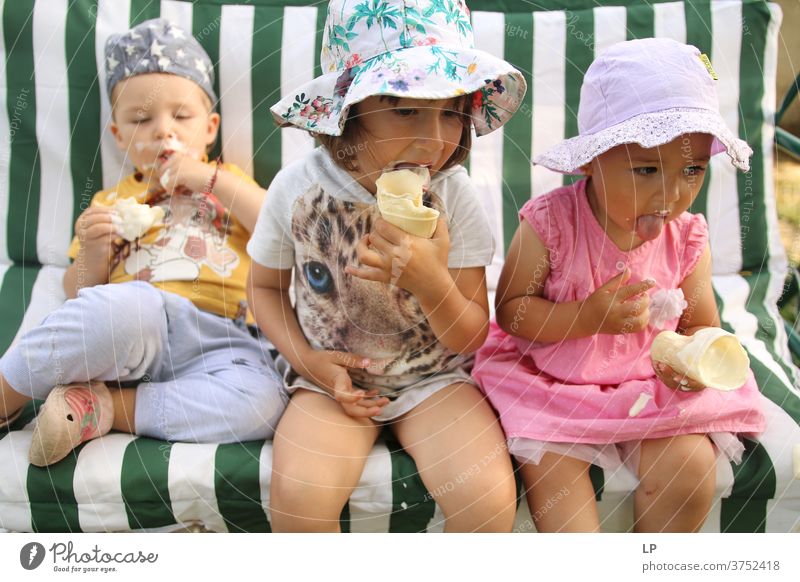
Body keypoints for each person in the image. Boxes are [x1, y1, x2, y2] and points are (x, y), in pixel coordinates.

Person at [247, 0, 527, 532]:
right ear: (347, 110)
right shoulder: (298, 190)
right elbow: (262, 287)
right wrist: (309, 363)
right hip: (334, 381)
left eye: (450, 111)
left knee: (488, 502)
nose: (435, 138)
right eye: (406, 108)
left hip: (435, 379)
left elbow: (470, 335)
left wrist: (431, 281)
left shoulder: (454, 197)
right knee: (299, 500)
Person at [473, 37, 766, 533]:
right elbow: (512, 311)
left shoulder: (687, 235)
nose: (670, 193)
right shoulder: (551, 223)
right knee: (561, 497)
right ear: (591, 159)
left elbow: (701, 326)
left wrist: (691, 365)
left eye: (691, 170)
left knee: (691, 471)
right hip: (553, 380)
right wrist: (586, 317)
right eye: (646, 169)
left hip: (648, 383)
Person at [0, 19, 286, 466]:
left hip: (226, 336)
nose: (163, 131)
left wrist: (210, 179)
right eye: (140, 119)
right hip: (140, 319)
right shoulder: (111, 201)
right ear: (118, 136)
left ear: (210, 129)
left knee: (264, 405)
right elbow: (77, 292)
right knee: (111, 311)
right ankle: (7, 392)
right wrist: (94, 251)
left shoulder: (228, 181)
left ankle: (104, 409)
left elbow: (279, 224)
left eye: (182, 117)